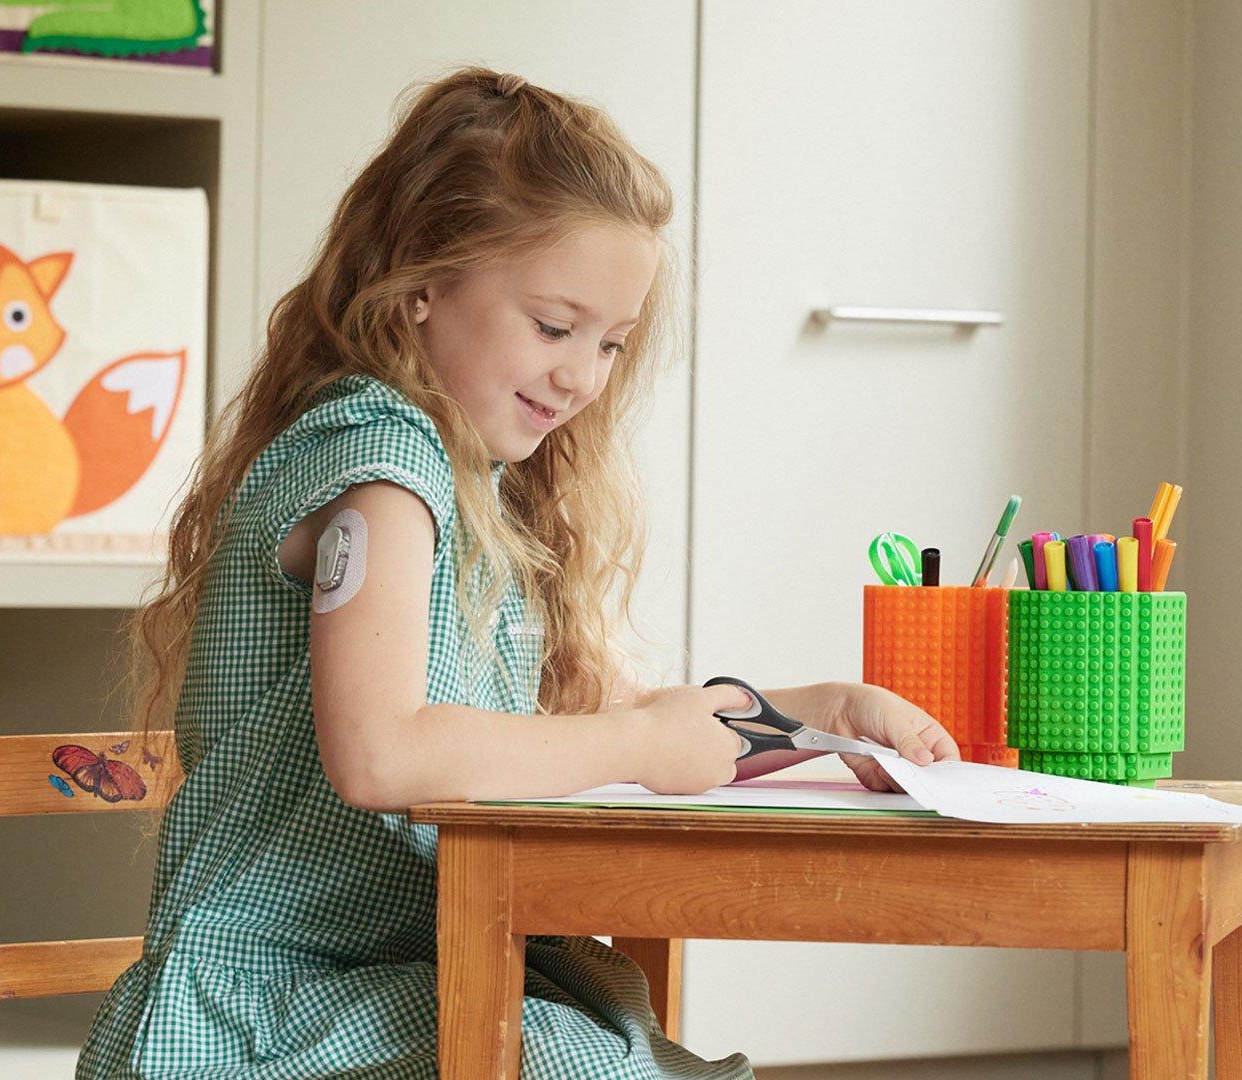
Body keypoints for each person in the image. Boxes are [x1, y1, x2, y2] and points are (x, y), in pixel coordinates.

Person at [76, 65, 956, 1079]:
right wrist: (638, 740)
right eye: (554, 327)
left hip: (404, 980)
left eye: (613, 344)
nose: (582, 376)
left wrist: (816, 717)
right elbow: (383, 753)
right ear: (418, 285)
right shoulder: (383, 469)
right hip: (259, 1013)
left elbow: (611, 707)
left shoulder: (473, 488)